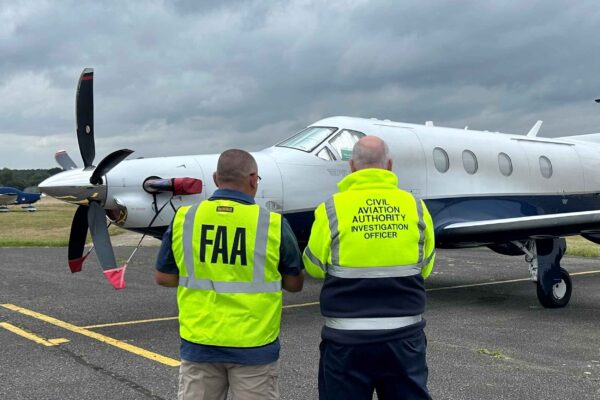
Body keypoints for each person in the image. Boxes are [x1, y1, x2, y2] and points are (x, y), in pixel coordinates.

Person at [155, 149, 304, 400]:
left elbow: (164, 277)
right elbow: (294, 284)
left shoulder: (185, 218)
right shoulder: (272, 223)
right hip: (254, 346)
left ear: (215, 178)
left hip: (200, 343)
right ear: (253, 178)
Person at [302, 136, 436, 400]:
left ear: (351, 166)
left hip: (346, 342)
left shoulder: (332, 209)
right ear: (389, 165)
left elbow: (314, 267)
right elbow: (426, 268)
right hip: (404, 339)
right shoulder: (416, 208)